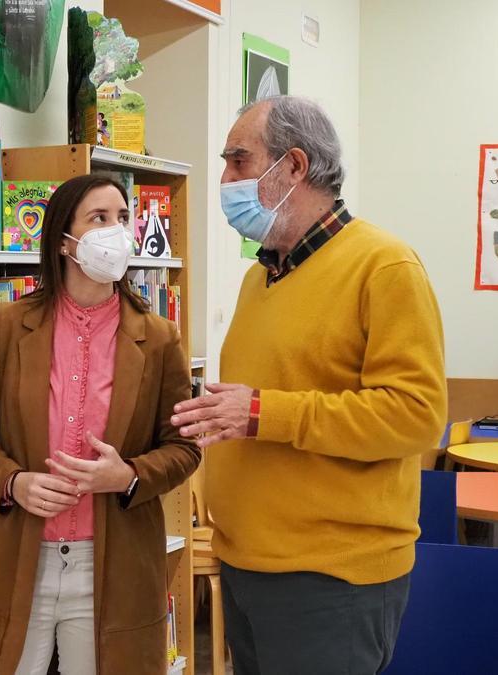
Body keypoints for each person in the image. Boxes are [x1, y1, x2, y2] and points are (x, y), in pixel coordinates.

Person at [171, 95, 446, 674]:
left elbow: (415, 416)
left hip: (331, 579)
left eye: (238, 161)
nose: (225, 179)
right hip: (247, 564)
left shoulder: (384, 266)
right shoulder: (258, 278)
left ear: (294, 166)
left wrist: (263, 414)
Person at [0, 174, 201, 674]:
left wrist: (127, 476)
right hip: (17, 553)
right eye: (99, 219)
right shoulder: (9, 325)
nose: (117, 231)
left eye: (123, 218)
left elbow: (184, 448)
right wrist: (13, 481)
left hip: (113, 562)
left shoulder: (161, 338)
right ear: (64, 240)